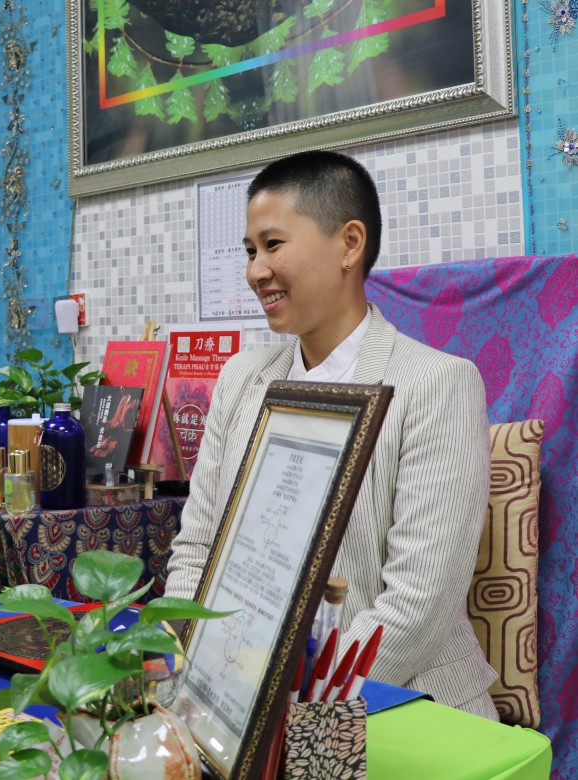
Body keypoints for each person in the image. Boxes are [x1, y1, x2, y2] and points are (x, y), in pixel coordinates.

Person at [165, 150, 498, 718]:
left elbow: (417, 610)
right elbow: (197, 550)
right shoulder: (243, 380)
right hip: (236, 699)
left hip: (397, 703)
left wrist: (284, 694)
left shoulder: (436, 384)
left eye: (273, 245)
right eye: (249, 251)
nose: (255, 271)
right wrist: (190, 665)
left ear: (349, 243)